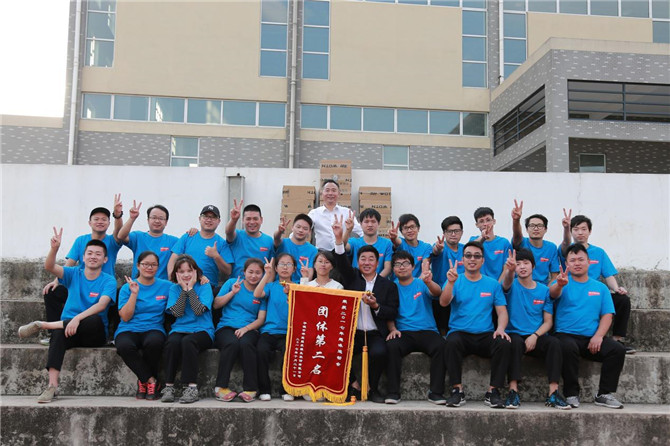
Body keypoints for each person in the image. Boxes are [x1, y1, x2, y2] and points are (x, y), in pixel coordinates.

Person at [18, 229, 116, 403]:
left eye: (98, 254)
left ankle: (44, 325)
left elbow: (101, 305)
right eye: (90, 253)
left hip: (94, 333)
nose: (93, 257)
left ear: (105, 259)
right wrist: (54, 249)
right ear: (83, 257)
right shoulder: (73, 273)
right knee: (57, 334)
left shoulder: (108, 280)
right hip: (68, 330)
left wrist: (77, 319)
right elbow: (49, 267)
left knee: (93, 319)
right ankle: (52, 386)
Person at [550, 243, 626, 409]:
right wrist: (559, 285)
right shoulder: (561, 282)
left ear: (589, 262)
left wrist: (598, 336)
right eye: (572, 260)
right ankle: (571, 394)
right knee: (567, 347)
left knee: (617, 349)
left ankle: (604, 394)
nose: (577, 263)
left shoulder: (600, 287)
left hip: (591, 338)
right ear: (566, 264)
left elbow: (607, 315)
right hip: (565, 335)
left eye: (581, 259)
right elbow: (552, 294)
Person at [332, 215, 399, 404]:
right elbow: (340, 262)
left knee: (379, 353)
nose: (367, 262)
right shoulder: (352, 277)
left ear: (377, 263)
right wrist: (339, 239)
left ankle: (372, 387)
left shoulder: (388, 285)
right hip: (352, 333)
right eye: (363, 259)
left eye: (371, 259)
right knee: (338, 350)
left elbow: (392, 311)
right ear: (358, 261)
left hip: (375, 333)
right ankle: (354, 384)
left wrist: (376, 306)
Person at [441, 241, 511, 409]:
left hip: (485, 334)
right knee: (450, 342)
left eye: (477, 256)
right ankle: (457, 390)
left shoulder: (492, 284)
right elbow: (443, 302)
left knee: (503, 343)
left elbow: (502, 311)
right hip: (460, 333)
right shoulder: (454, 280)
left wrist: (500, 328)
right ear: (462, 259)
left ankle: (493, 392)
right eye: (468, 255)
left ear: (482, 260)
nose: (472, 259)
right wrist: (450, 283)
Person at [41, 202, 123, 344]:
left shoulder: (112, 241)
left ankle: (115, 336)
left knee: (121, 294)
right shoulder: (81, 240)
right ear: (89, 222)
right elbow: (70, 263)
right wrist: (56, 281)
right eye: (96, 219)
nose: (100, 222)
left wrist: (117, 215)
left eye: (104, 219)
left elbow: (119, 231)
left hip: (102, 289)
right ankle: (55, 333)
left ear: (109, 223)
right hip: (80, 286)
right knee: (51, 292)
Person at [500, 248, 569, 410]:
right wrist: (509, 271)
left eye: (526, 263)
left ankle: (553, 392)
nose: (522, 267)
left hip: (536, 336)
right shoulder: (511, 286)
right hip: (515, 334)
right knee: (514, 343)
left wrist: (535, 335)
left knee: (554, 343)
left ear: (533, 266)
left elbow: (548, 322)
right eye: (518, 264)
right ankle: (513, 391)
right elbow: (506, 283)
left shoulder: (544, 290)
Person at [559, 213, 634, 354]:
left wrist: (617, 288)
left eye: (584, 229)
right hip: (573, 293)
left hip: (595, 294)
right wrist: (566, 228)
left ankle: (617, 339)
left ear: (590, 231)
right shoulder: (567, 250)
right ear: (571, 231)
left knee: (622, 300)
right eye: (576, 229)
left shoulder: (599, 252)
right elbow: (565, 244)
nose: (580, 232)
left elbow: (608, 275)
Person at [385, 251, 446, 405]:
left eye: (405, 263)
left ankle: (436, 392)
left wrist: (429, 282)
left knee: (441, 346)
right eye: (397, 264)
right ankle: (393, 392)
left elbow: (437, 292)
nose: (402, 267)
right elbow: (389, 311)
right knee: (391, 346)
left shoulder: (421, 283)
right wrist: (392, 329)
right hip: (403, 332)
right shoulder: (391, 287)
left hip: (427, 330)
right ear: (393, 269)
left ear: (413, 267)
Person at [114, 251, 172, 400]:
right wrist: (134, 293)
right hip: (128, 328)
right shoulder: (127, 287)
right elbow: (125, 317)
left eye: (153, 265)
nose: (149, 267)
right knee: (124, 346)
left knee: (154, 343)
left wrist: (201, 278)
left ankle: (143, 382)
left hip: (153, 328)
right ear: (138, 266)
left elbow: (185, 282)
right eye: (145, 264)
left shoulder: (166, 286)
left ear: (158, 267)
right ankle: (151, 381)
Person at [161, 255, 215, 404]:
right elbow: (177, 313)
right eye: (181, 271)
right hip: (180, 328)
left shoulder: (204, 286)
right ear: (176, 274)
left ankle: (191, 388)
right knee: (172, 343)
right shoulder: (174, 288)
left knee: (188, 341)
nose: (186, 274)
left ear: (196, 271)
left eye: (189, 271)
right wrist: (183, 290)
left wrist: (190, 289)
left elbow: (198, 311)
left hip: (203, 330)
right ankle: (169, 387)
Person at [213, 258, 267, 403]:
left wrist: (246, 329)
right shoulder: (232, 283)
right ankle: (220, 388)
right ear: (244, 272)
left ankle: (251, 389)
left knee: (246, 344)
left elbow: (261, 319)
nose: (253, 276)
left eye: (258, 273)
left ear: (262, 274)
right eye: (250, 272)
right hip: (226, 327)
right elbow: (216, 304)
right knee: (231, 343)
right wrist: (232, 292)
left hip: (249, 328)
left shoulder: (261, 292)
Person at [254, 254, 297, 401]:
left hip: (289, 332)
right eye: (281, 264)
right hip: (269, 331)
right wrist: (267, 275)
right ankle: (264, 390)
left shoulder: (298, 286)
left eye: (289, 264)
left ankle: (286, 389)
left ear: (294, 269)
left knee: (289, 352)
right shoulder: (271, 286)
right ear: (276, 269)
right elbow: (257, 293)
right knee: (261, 350)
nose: (285, 267)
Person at [168, 204, 233, 288]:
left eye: (213, 217)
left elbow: (228, 271)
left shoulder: (222, 243)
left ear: (219, 221)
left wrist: (216, 256)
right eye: (205, 216)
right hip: (184, 286)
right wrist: (172, 280)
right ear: (199, 219)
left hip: (207, 287)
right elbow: (173, 259)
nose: (209, 220)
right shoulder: (188, 237)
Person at [115, 201, 179, 280]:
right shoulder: (138, 237)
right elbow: (120, 236)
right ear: (148, 220)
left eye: (161, 218)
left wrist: (192, 231)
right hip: (138, 285)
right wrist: (132, 218)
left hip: (162, 286)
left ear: (166, 222)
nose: (157, 221)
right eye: (154, 217)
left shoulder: (174, 241)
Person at [510, 200, 559, 285]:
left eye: (539, 226)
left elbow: (554, 276)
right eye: (532, 226)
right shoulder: (521, 243)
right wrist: (516, 220)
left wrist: (546, 290)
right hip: (521, 287)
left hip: (542, 289)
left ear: (545, 229)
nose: (536, 229)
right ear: (526, 229)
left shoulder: (551, 248)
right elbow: (517, 235)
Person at [430, 216, 465, 335]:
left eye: (457, 231)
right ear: (444, 233)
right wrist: (437, 248)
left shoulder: (465, 249)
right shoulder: (441, 246)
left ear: (462, 232)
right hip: (440, 297)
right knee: (443, 333)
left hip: (461, 298)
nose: (453, 234)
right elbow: (436, 251)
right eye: (450, 231)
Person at [308, 179, 362, 250]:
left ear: (339, 194)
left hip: (342, 251)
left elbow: (360, 231)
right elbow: (304, 229)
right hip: (322, 253)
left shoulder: (347, 212)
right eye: (327, 190)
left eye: (333, 190)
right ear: (322, 194)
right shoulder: (314, 213)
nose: (330, 193)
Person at [226, 201, 275, 278]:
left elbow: (271, 267)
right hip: (238, 282)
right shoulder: (237, 235)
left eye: (255, 219)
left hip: (260, 283)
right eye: (248, 219)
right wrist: (233, 220)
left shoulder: (269, 240)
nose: (252, 222)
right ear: (243, 220)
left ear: (261, 220)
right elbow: (228, 232)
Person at [469, 207, 512, 280]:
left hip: (499, 284)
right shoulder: (473, 240)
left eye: (488, 220)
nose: (485, 224)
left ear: (494, 221)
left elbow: (507, 268)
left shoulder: (504, 243)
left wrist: (497, 285)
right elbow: (471, 249)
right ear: (477, 225)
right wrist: (482, 237)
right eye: (481, 221)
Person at [274, 213, 318, 283]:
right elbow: (276, 238)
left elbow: (309, 273)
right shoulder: (283, 243)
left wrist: (302, 286)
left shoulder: (313, 250)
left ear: (309, 231)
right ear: (292, 227)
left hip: (299, 286)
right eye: (298, 227)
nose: (301, 230)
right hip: (280, 284)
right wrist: (280, 232)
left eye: (305, 228)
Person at [388, 213, 432, 279]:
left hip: (418, 282)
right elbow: (397, 242)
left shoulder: (426, 247)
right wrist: (394, 238)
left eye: (412, 227)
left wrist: (416, 283)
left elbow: (425, 269)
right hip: (398, 283)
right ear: (401, 232)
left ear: (418, 228)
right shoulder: (401, 243)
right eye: (406, 228)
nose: (409, 230)